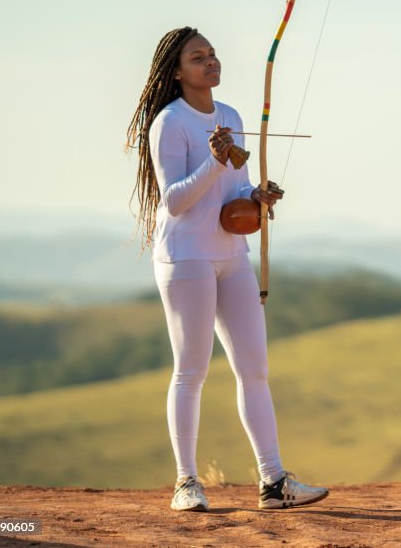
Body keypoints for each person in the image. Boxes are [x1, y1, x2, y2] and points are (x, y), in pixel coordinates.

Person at [126, 26, 328, 512]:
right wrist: (215, 163)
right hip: (186, 257)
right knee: (191, 370)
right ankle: (186, 483)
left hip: (231, 255)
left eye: (213, 54)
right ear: (177, 72)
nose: (211, 62)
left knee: (254, 368)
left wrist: (256, 196)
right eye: (198, 57)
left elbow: (234, 190)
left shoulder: (231, 116)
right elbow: (175, 201)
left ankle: (274, 481)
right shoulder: (169, 123)